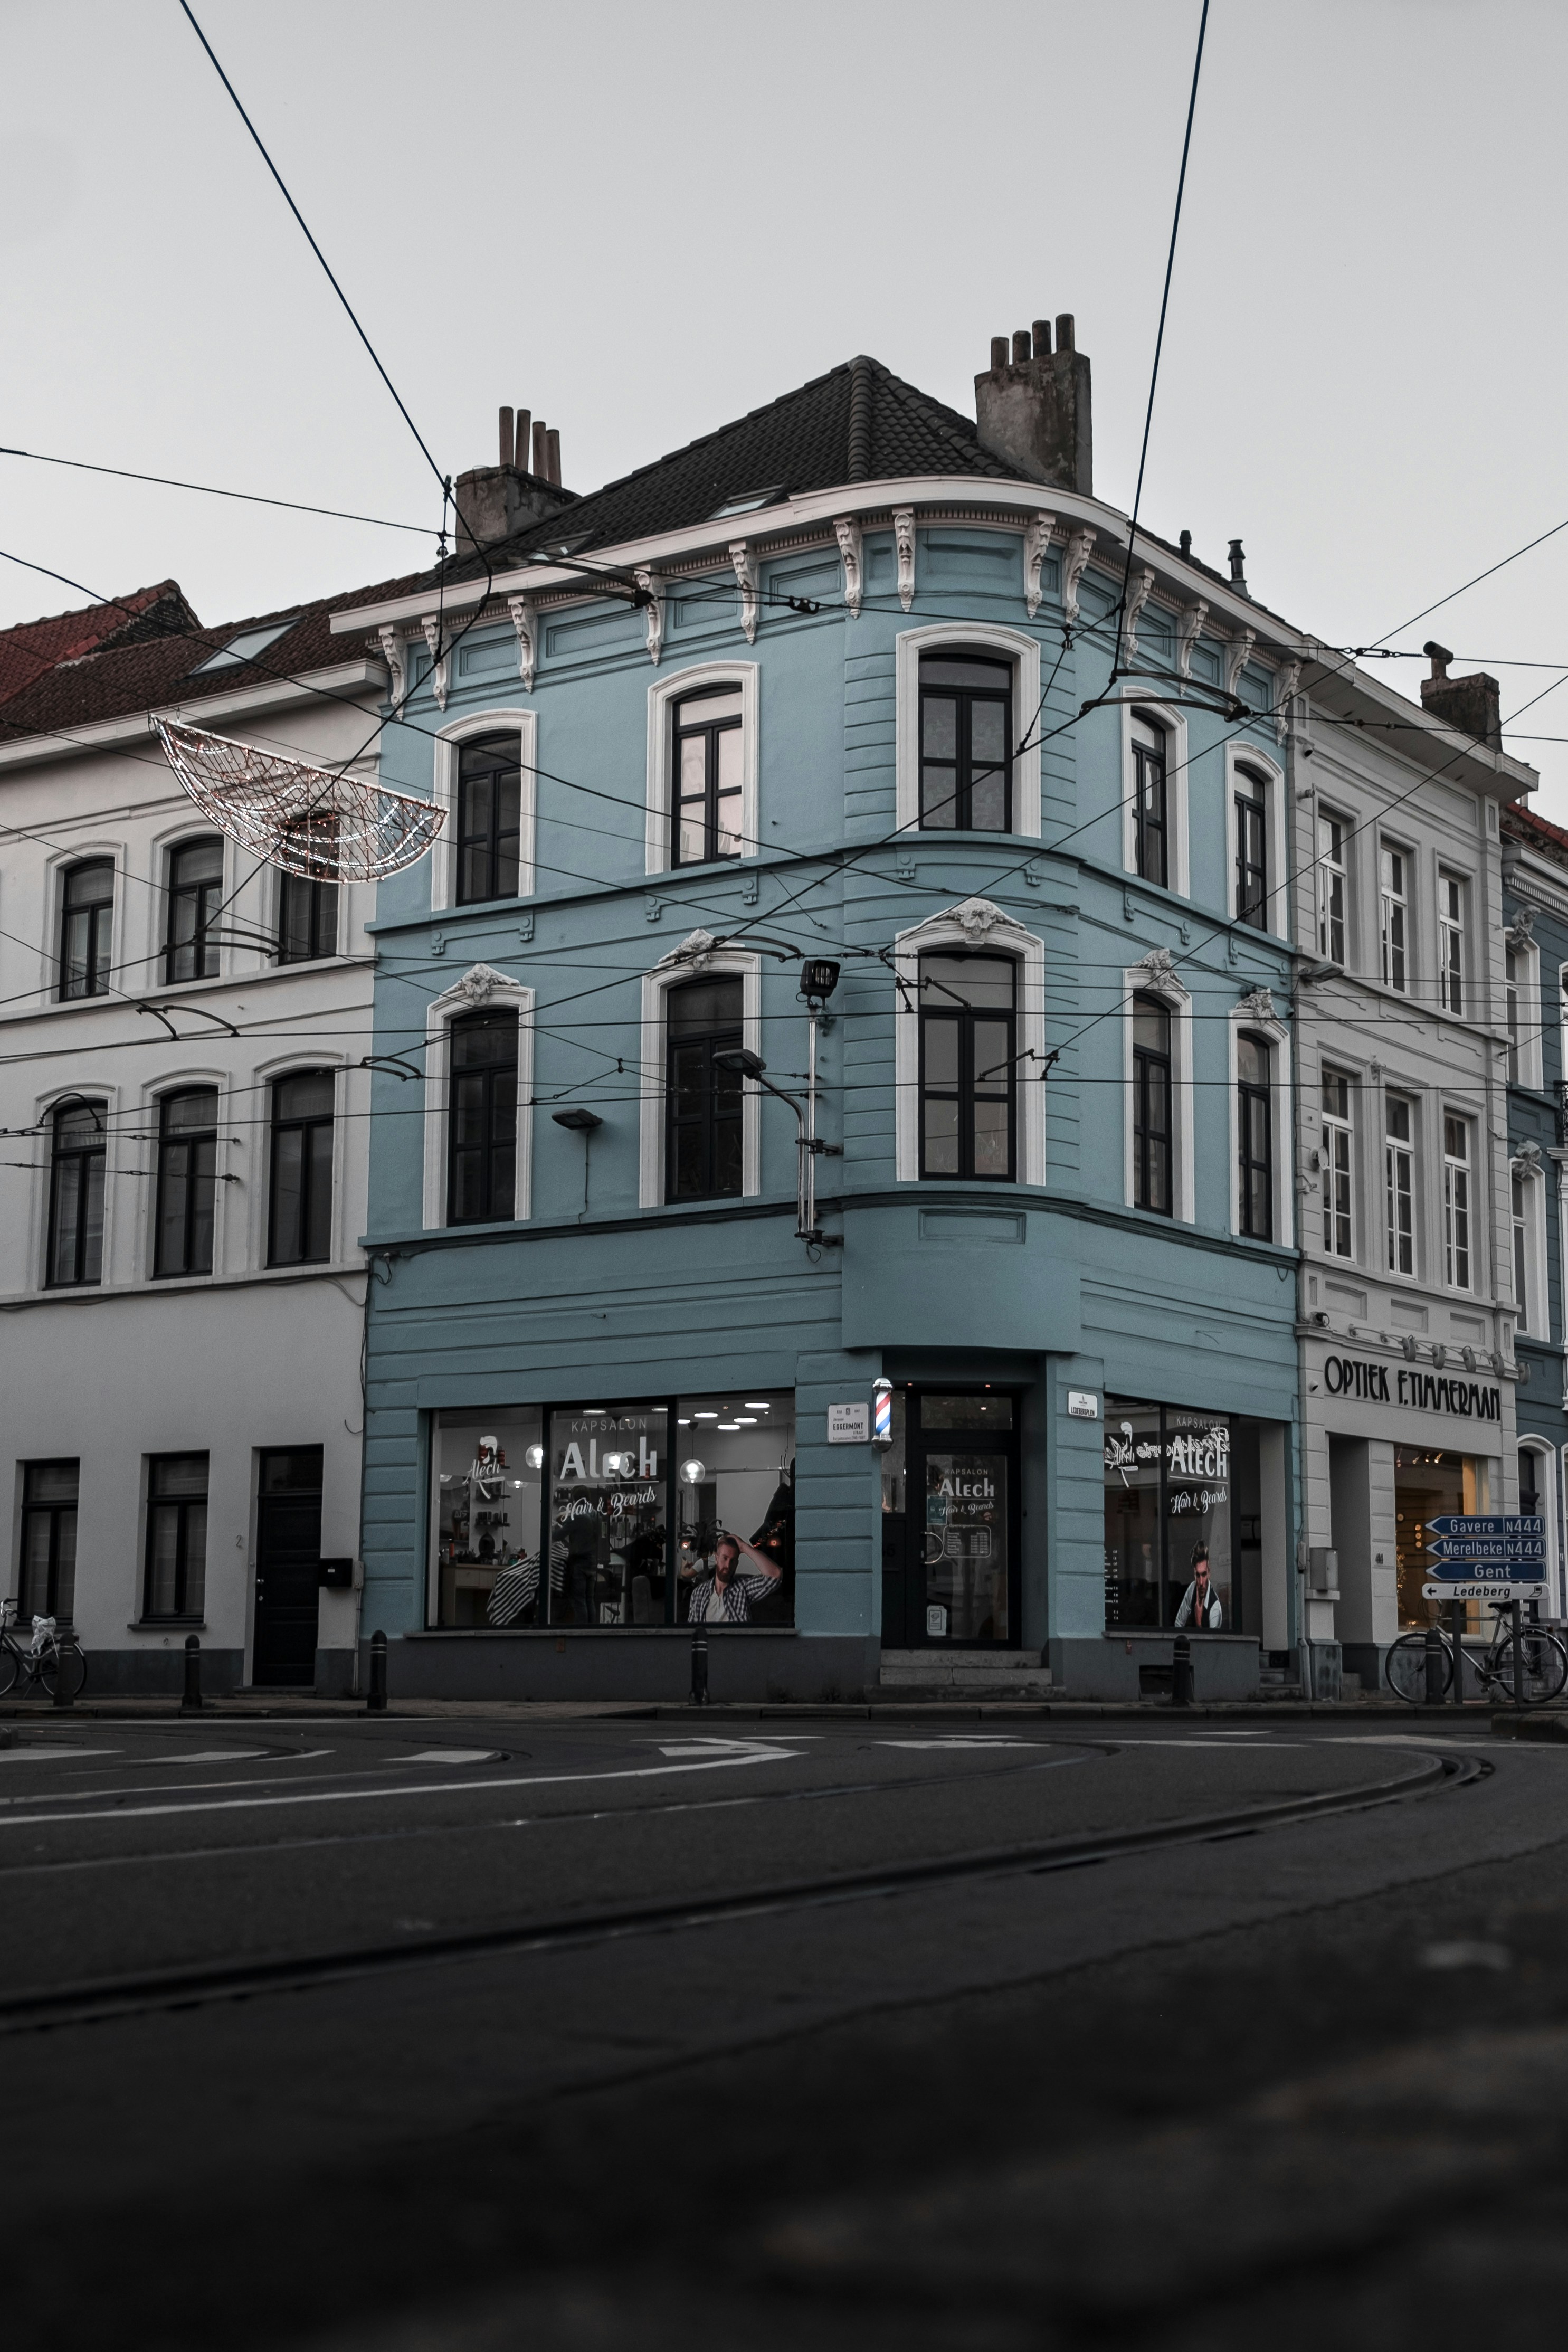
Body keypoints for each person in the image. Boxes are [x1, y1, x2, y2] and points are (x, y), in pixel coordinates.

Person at [685, 1530, 782, 1624]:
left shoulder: (742, 1589)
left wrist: (743, 1547)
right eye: (725, 1558)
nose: (728, 1565)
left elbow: (775, 1575)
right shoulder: (699, 1593)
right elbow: (692, 1631)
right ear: (716, 1559)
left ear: (737, 1564)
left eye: (733, 1561)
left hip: (738, 1641)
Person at [1174, 1541, 1223, 1630]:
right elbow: (1178, 1624)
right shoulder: (1192, 1588)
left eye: (1204, 1575)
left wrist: (1199, 1622)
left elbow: (1212, 1643)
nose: (1200, 1582)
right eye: (1198, 1575)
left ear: (1209, 1573)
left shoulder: (1215, 1608)